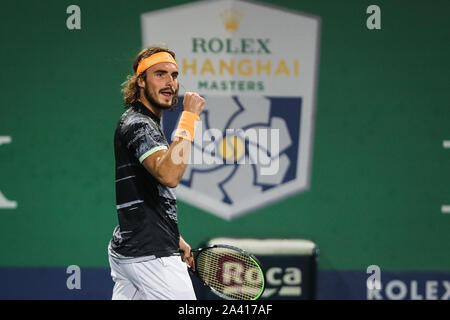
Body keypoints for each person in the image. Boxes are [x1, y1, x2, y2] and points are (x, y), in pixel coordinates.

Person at [107, 46, 205, 300]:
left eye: (174, 75)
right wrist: (190, 118)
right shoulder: (139, 124)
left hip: (132, 248)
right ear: (140, 81)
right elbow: (169, 176)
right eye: (160, 74)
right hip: (151, 255)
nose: (170, 82)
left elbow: (150, 192)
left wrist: (175, 237)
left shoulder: (144, 122)